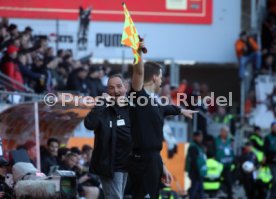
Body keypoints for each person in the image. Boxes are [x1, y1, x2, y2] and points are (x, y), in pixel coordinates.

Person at [128, 39, 197, 199]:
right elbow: (138, 73)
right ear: (154, 77)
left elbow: (167, 108)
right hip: (141, 162)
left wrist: (181, 110)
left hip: (153, 160)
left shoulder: (154, 102)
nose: (162, 80)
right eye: (161, 77)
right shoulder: (138, 96)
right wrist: (137, 52)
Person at [84, 74, 131, 199]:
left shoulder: (131, 108)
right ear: (107, 92)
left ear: (125, 87)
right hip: (109, 165)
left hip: (126, 164)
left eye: (119, 86)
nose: (115, 90)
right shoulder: (103, 109)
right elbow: (89, 124)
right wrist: (101, 103)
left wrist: (179, 110)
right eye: (111, 88)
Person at [186, 131, 207, 199]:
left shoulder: (198, 146)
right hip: (195, 172)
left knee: (199, 191)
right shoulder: (193, 147)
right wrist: (197, 172)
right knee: (194, 190)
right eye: (200, 136)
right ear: (195, 137)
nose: (201, 138)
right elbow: (193, 161)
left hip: (199, 172)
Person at [215, 126, 234, 199]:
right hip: (218, 166)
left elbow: (231, 151)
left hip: (227, 166)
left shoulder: (229, 141)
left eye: (227, 132)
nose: (227, 133)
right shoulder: (216, 140)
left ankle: (230, 196)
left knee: (229, 182)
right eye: (226, 132)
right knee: (217, 182)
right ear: (221, 132)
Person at [264, 121, 276, 199]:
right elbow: (266, 150)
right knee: (274, 179)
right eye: (274, 127)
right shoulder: (268, 137)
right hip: (271, 162)